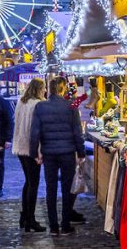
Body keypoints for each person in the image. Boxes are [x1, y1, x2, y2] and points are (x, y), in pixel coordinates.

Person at [30, 76, 86, 236]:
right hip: (67, 152)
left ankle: (54, 227)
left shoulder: (41, 107)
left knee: (51, 189)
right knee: (68, 189)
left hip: (49, 153)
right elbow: (78, 133)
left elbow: (35, 132)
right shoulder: (72, 106)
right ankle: (65, 224)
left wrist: (35, 152)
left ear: (49, 88)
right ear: (62, 89)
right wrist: (81, 153)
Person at [12, 78, 47, 232]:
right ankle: (30, 220)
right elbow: (37, 130)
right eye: (43, 88)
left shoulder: (21, 102)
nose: (45, 91)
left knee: (28, 182)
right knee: (33, 184)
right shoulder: (38, 104)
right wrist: (39, 151)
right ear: (39, 89)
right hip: (31, 148)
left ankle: (25, 216)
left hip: (20, 147)